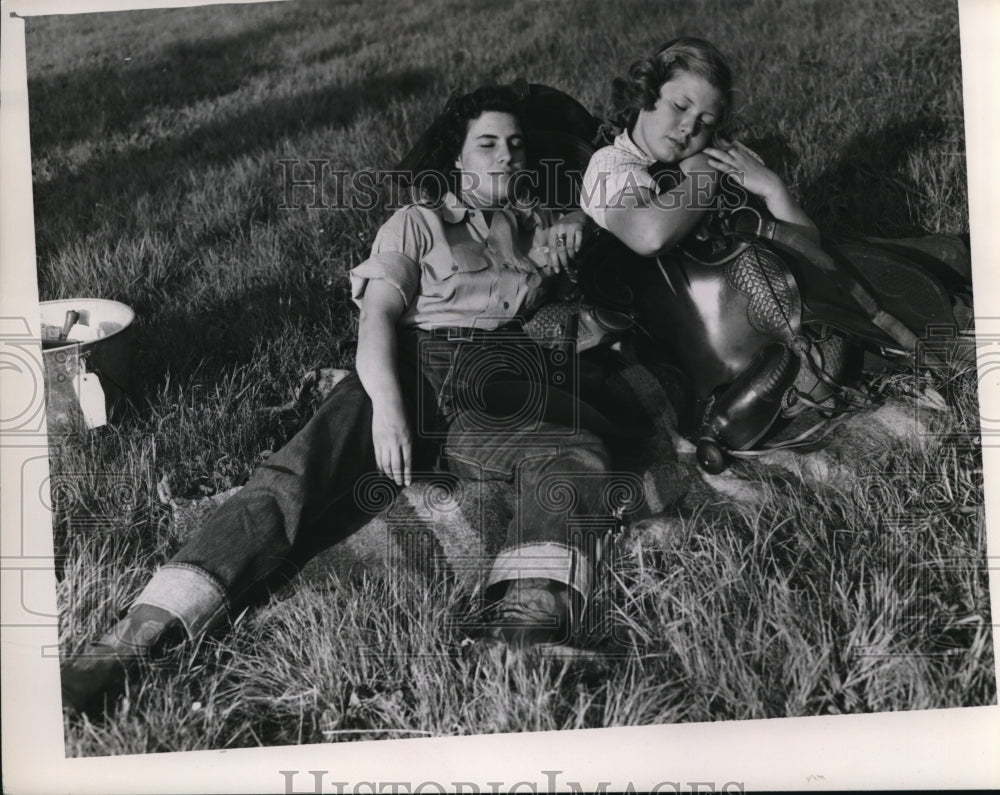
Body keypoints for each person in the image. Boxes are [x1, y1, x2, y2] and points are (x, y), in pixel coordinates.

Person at [61, 84, 648, 719]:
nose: (505, 156)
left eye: (515, 145)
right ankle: (131, 640)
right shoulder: (416, 222)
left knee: (574, 452)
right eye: (487, 145)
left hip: (491, 388)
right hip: (407, 367)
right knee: (294, 476)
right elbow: (377, 322)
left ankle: (520, 634)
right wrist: (390, 409)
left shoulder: (531, 231)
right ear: (458, 158)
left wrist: (578, 231)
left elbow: (604, 293)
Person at [582, 36, 818, 252]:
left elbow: (811, 249)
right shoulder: (610, 164)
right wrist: (705, 175)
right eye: (680, 107)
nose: (689, 127)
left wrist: (772, 189)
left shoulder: (721, 156)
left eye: (705, 122)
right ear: (646, 92)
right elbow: (649, 237)